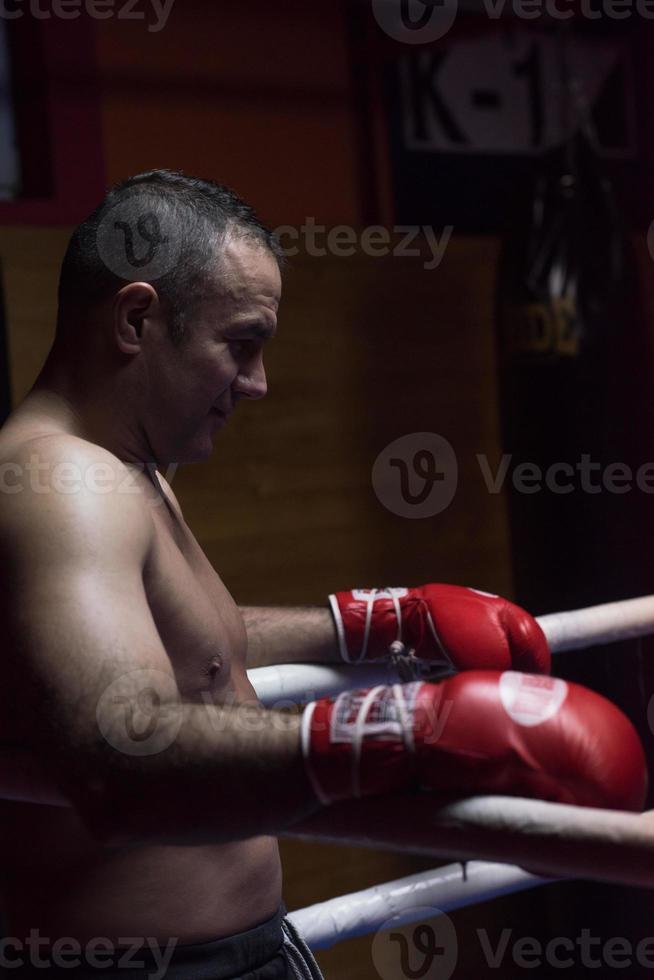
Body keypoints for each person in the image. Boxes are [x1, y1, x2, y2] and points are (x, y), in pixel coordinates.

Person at [0, 170, 645, 979]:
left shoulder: (124, 470)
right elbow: (113, 760)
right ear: (137, 318)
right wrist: (393, 733)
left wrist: (377, 620)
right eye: (241, 343)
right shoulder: (60, 489)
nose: (258, 384)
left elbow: (198, 645)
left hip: (246, 950)